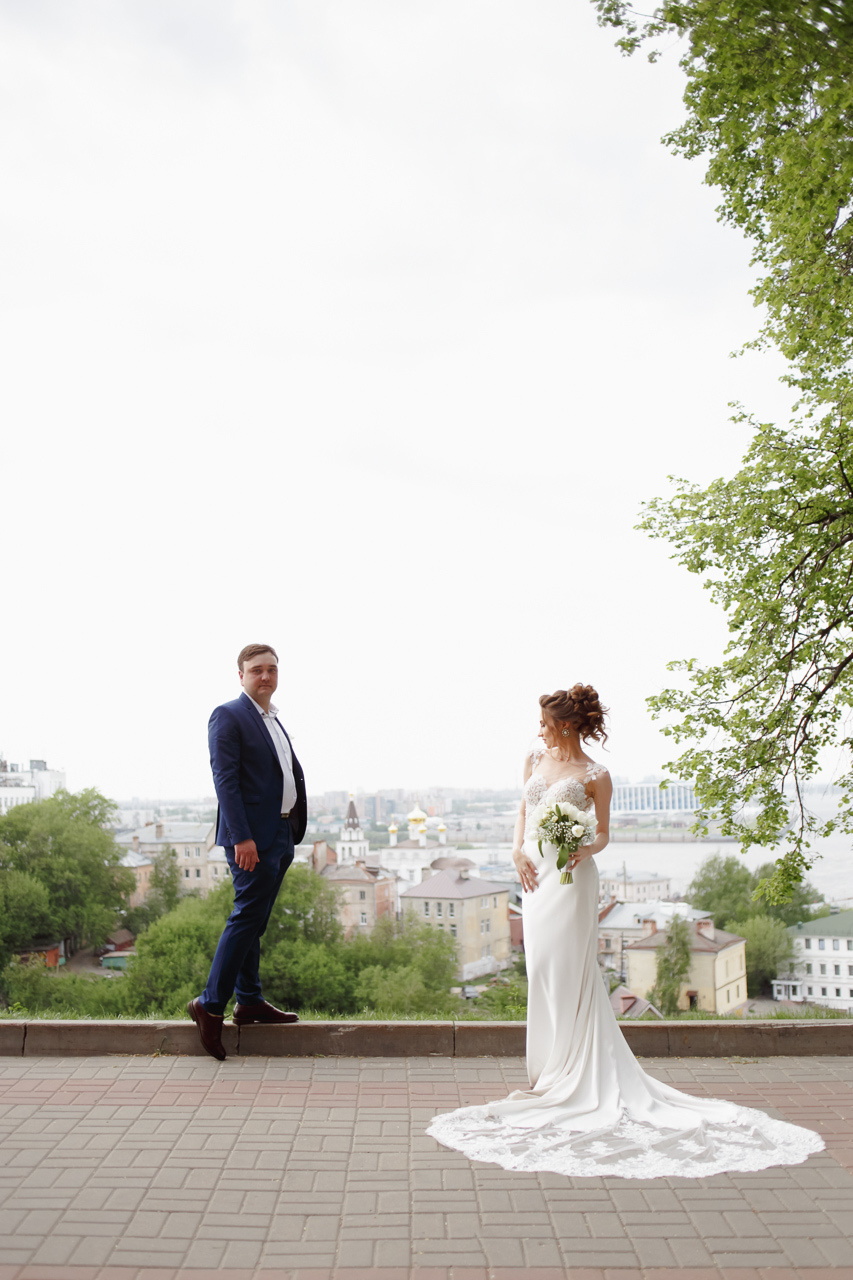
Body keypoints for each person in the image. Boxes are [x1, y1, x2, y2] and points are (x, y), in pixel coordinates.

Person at [427, 684, 824, 1178]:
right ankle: (550, 1070)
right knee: (540, 968)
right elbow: (523, 813)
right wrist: (515, 853)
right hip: (533, 876)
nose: (539, 731)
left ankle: (572, 1073)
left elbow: (603, 834)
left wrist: (583, 848)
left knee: (568, 969)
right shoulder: (533, 758)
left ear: (565, 725)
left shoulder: (596, 775)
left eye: (545, 723)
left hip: (571, 879)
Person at [188, 644, 307, 1061]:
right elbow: (225, 779)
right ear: (241, 675)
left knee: (255, 922)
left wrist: (288, 828)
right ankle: (209, 1005)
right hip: (251, 839)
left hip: (281, 832)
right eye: (257, 670)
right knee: (244, 919)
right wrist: (241, 837)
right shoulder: (229, 715)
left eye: (272, 669)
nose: (265, 676)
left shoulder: (273, 718)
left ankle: (250, 1001)